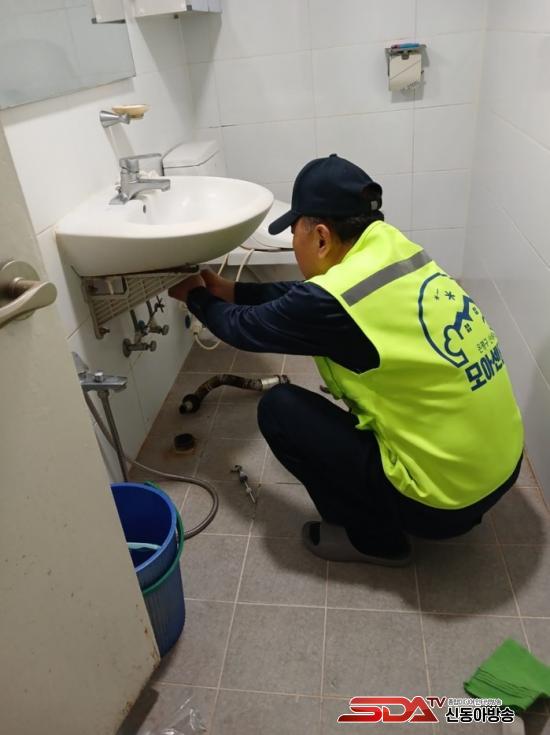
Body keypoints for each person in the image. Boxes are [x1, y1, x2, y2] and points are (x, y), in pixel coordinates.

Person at [168, 154, 524, 566]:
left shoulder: (333, 301)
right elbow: (306, 297)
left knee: (280, 410)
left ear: (321, 237)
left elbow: (242, 329)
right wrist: (232, 291)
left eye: (295, 234)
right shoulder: (394, 250)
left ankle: (374, 540)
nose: (294, 246)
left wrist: (196, 295)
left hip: (444, 505)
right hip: (502, 467)